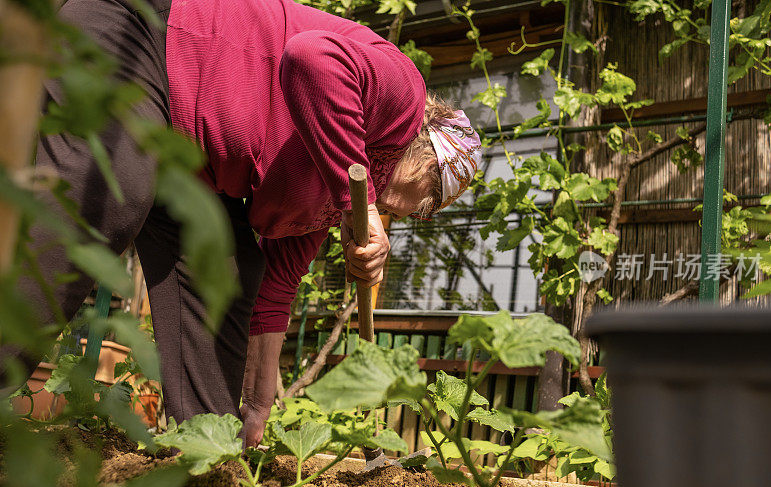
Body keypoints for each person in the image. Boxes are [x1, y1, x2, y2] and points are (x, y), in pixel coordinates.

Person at [14, 0, 481, 447]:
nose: (417, 216)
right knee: (114, 194)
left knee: (232, 268)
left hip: (185, 153)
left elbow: (277, 292)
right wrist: (355, 198)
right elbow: (313, 59)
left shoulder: (323, 206)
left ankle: (204, 455)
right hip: (140, 33)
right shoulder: (403, 98)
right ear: (431, 165)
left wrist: (258, 406)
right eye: (430, 205)